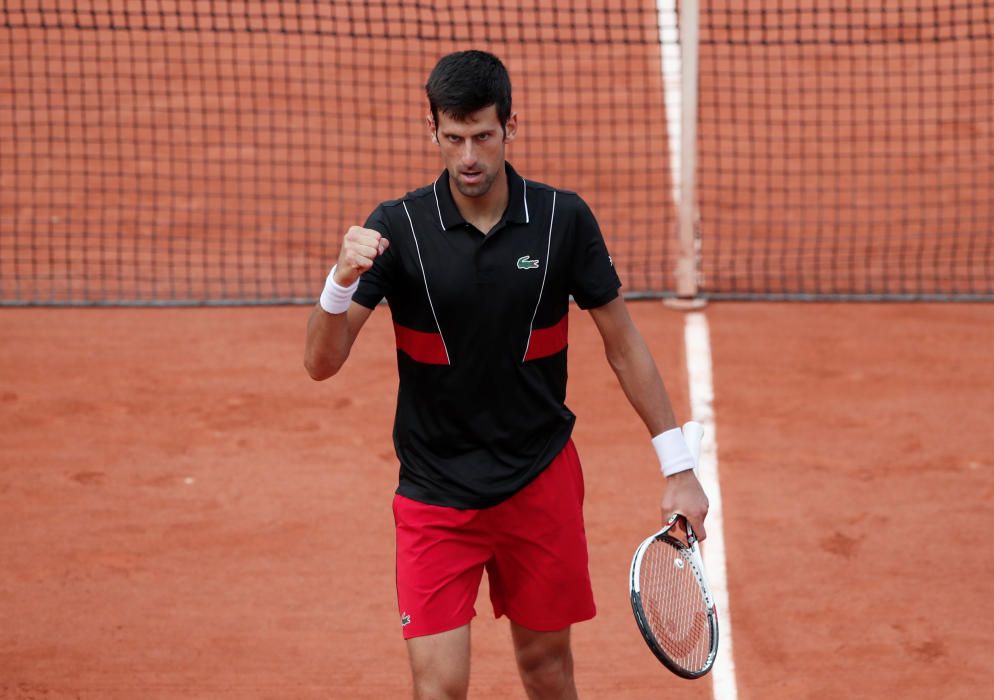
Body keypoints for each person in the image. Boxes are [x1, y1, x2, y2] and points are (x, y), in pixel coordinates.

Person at [304, 50, 709, 700]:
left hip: (538, 481)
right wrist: (337, 281)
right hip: (436, 492)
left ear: (510, 128)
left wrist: (677, 464)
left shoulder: (561, 220)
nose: (469, 156)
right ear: (432, 130)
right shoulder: (396, 230)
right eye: (454, 137)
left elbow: (624, 344)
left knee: (547, 670)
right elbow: (321, 364)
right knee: (438, 689)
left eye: (483, 137)